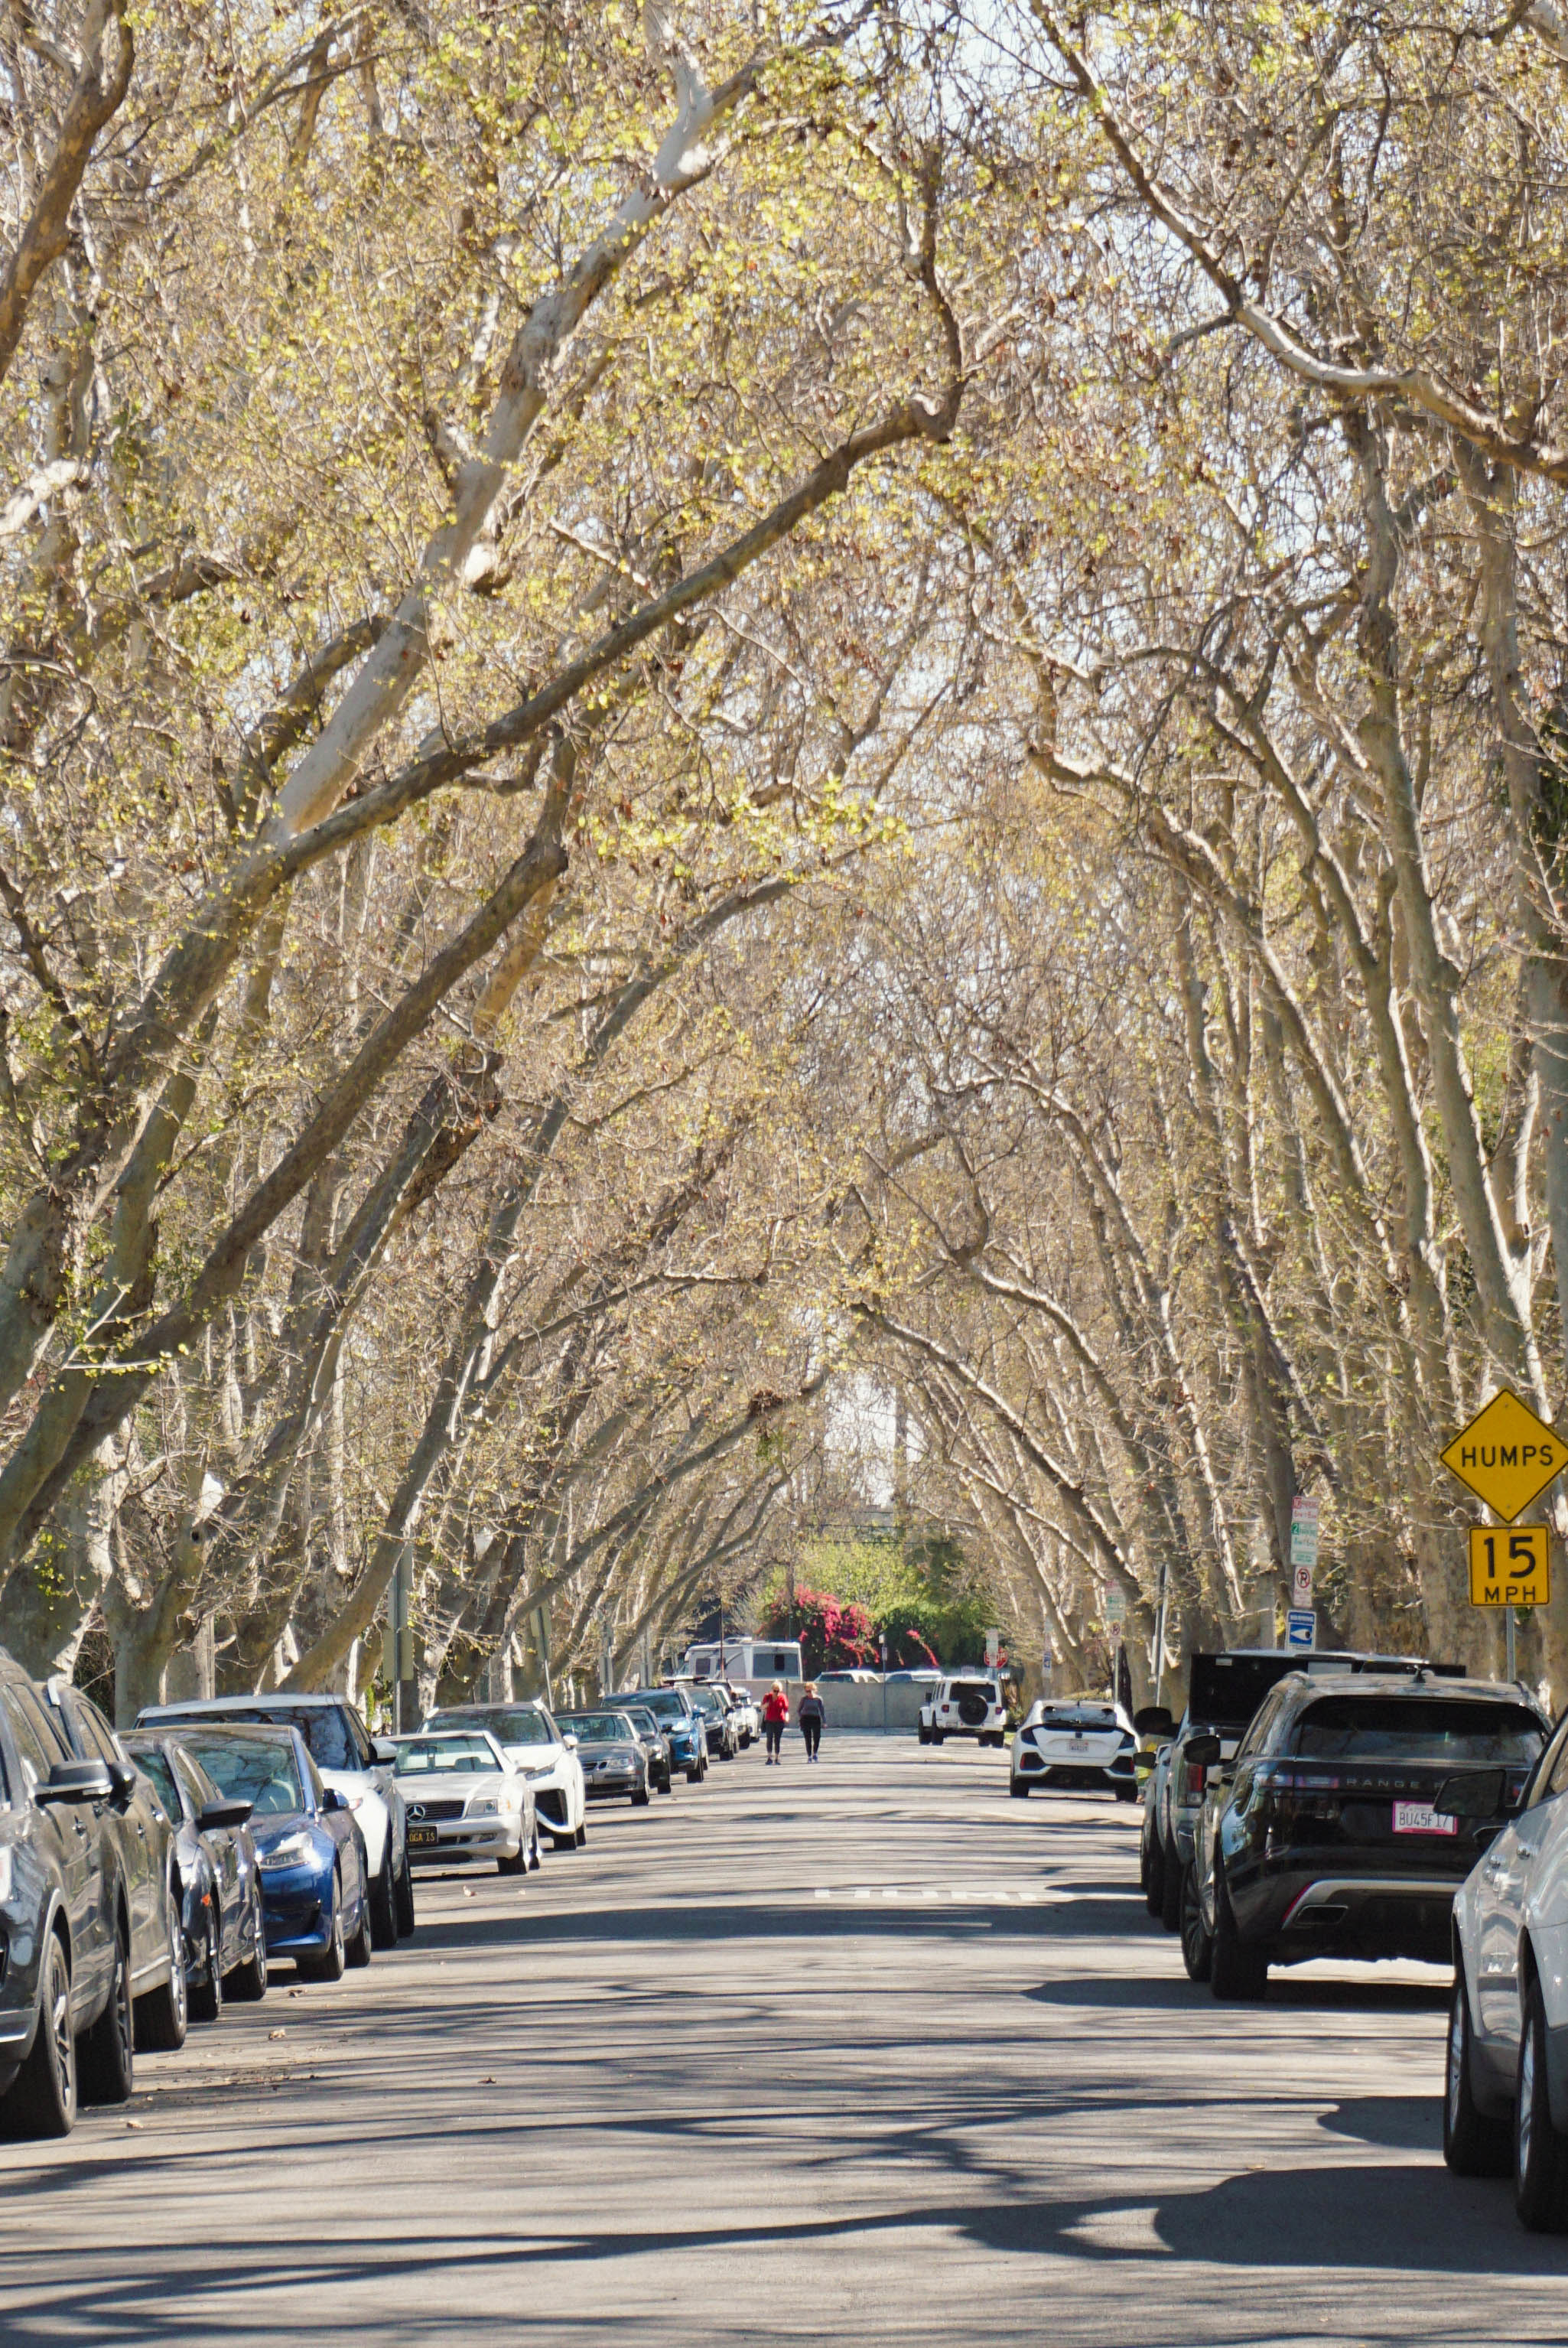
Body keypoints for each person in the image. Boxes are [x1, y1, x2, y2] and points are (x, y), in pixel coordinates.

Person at [761, 1680, 789, 1763]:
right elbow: (762, 1707)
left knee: (777, 1739)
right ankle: (769, 1757)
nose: (776, 1692)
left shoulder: (782, 1697)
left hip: (779, 1721)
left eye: (778, 1691)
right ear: (772, 1690)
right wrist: (767, 1704)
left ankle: (777, 1757)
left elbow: (786, 1709)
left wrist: (787, 1717)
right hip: (769, 1721)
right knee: (769, 1738)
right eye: (775, 1690)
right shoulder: (767, 1697)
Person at [798, 1681, 825, 1762]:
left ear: (814, 1690)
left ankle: (815, 1753)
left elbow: (822, 1711)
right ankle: (809, 1756)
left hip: (815, 1718)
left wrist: (825, 1722)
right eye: (807, 1691)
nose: (809, 1693)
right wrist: (801, 1718)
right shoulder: (804, 1699)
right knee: (808, 1738)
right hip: (806, 1719)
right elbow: (799, 1710)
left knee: (817, 1737)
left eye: (810, 1691)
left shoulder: (818, 1699)